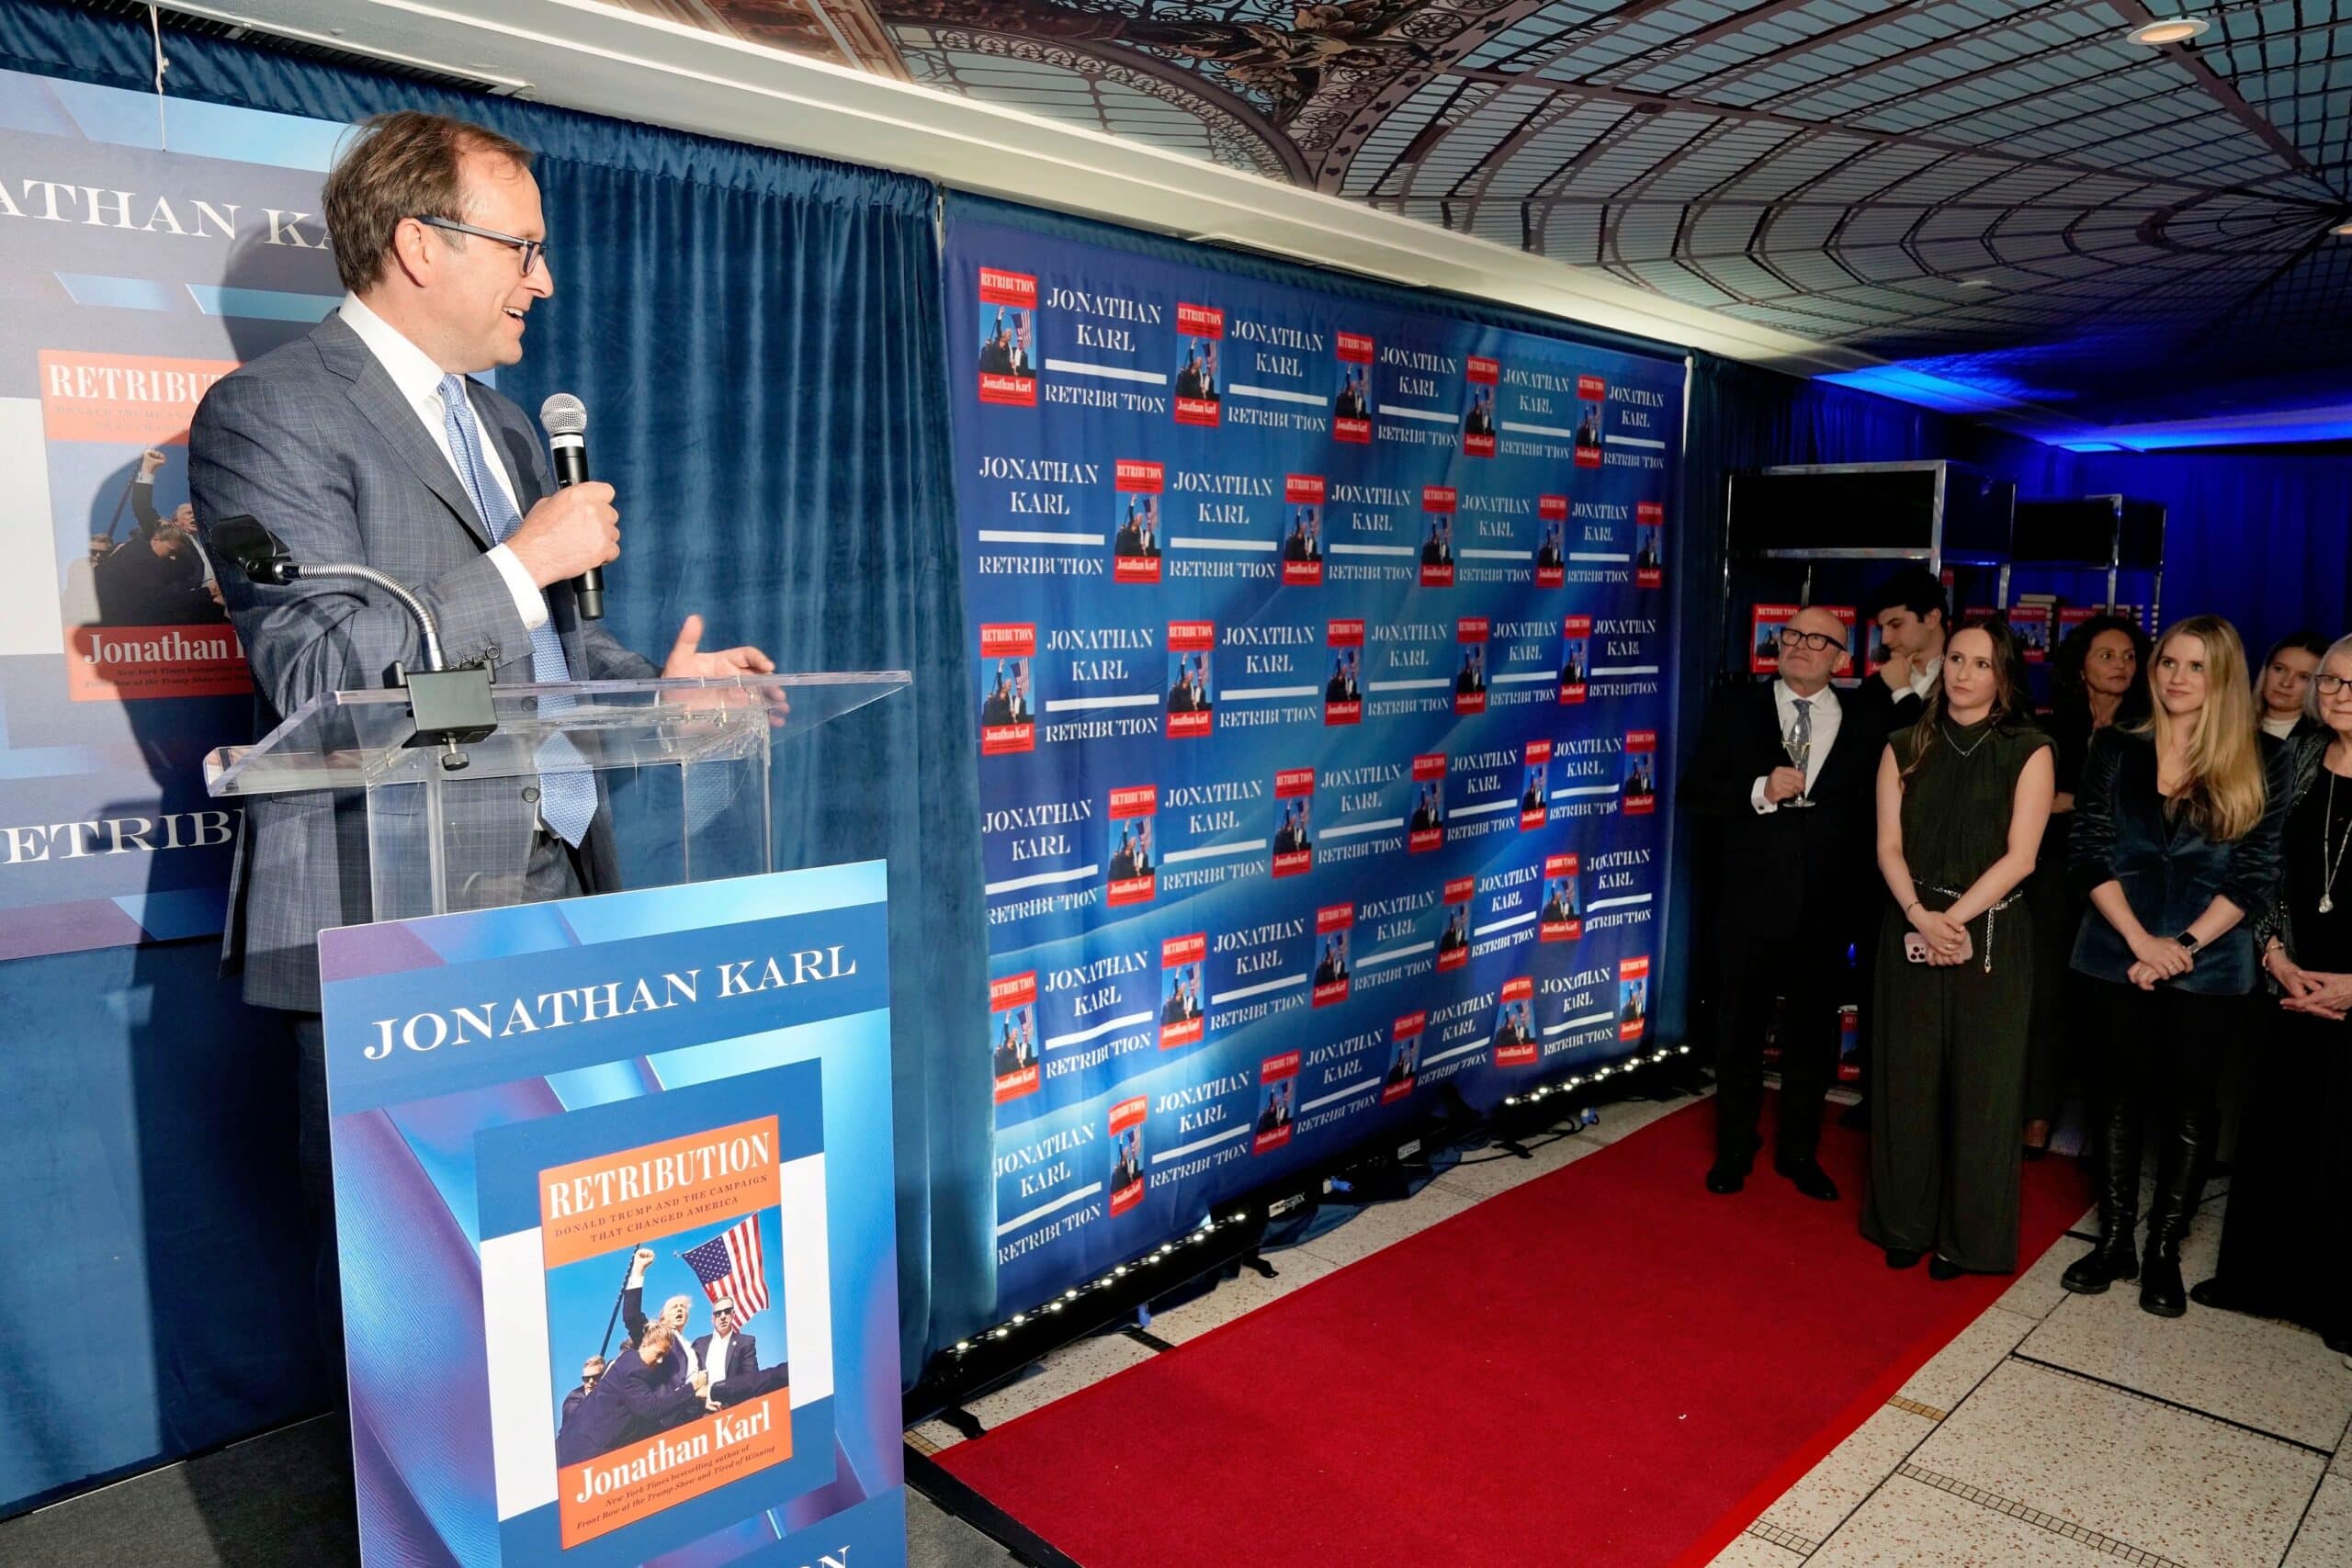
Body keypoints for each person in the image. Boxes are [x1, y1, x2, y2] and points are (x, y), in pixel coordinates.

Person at [2063, 615, 2290, 1316]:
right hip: (2114, 952)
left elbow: (2255, 877)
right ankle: (2116, 1242)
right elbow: (2087, 850)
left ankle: (2163, 1250)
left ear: (2221, 677)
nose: (2177, 677)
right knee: (2114, 1097)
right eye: (2168, 662)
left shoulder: (2262, 757)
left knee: (2189, 1106)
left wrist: (2180, 948)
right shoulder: (2116, 745)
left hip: (2210, 964)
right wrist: (2140, 941)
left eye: (2195, 666)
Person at [1864, 619, 2055, 1276]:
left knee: (1984, 1092)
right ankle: (1904, 1222)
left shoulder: (2029, 749)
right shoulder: (1903, 743)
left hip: (1992, 932)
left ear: (2004, 676)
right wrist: (1921, 915)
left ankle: (1966, 1240)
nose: (1964, 673)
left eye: (1981, 663)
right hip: (1910, 921)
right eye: (1955, 658)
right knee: (1907, 1080)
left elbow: (2022, 857)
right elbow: (1888, 845)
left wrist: (1952, 920)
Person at [1680, 605, 1875, 1200]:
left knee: (1812, 1038)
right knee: (1738, 1032)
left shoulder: (1864, 718)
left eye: (1819, 640)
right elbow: (1695, 791)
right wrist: (1758, 790)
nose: (1800, 646)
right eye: (1792, 634)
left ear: (1843, 658)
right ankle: (1734, 1149)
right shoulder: (1736, 706)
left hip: (1825, 909)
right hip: (1748, 903)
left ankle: (1799, 1153)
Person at [2191, 635, 2352, 1351]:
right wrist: (2276, 953)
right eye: (2331, 681)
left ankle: (2336, 1302)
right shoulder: (2299, 757)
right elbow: (2260, 866)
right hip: (2290, 973)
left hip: (2351, 985)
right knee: (2278, 1129)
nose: (2337, 694)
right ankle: (2254, 1281)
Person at [2020, 615, 2151, 1155]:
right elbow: (2028, 804)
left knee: (2110, 1004)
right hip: (2053, 874)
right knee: (2045, 994)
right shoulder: (2051, 726)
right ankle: (2036, 1116)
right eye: (2107, 656)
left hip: (2123, 881)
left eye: (2129, 656)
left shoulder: (2149, 729)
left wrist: (2072, 803)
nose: (2121, 666)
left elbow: (2141, 814)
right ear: (2081, 666)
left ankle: (2106, 1134)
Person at [555, 1325, 712, 1465]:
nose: (660, 1361)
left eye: (664, 1356)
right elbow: (652, 1409)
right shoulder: (633, 1374)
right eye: (658, 1354)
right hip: (584, 1454)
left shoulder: (628, 1358)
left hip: (573, 1446)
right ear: (644, 1345)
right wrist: (691, 1389)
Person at [2255, 631, 2329, 745]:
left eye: (2303, 677)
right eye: (2279, 669)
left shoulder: (2321, 741)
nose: (2286, 683)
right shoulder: (2234, 720)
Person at [561, 1355, 605, 1429]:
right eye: (586, 1379)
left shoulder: (611, 1395)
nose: (591, 1382)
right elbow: (580, 1417)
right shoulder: (573, 1399)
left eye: (595, 1377)